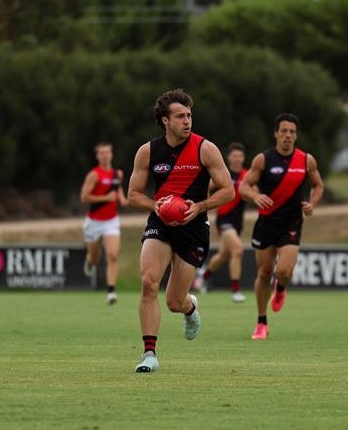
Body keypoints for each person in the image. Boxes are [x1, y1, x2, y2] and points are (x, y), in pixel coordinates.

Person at [127, 88, 234, 373]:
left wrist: (199, 207)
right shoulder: (148, 151)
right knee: (149, 282)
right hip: (160, 225)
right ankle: (149, 354)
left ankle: (190, 308)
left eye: (189, 115)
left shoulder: (205, 149)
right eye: (180, 116)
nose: (187, 121)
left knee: (174, 301)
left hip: (194, 228)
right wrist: (156, 206)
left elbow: (229, 191)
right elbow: (133, 194)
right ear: (165, 120)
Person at [239, 113, 324, 340]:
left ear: (296, 135)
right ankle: (261, 322)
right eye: (284, 131)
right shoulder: (263, 159)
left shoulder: (306, 160)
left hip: (292, 223)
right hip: (266, 223)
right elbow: (244, 187)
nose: (288, 135)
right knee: (264, 272)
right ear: (276, 133)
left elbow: (318, 185)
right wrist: (255, 197)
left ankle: (282, 288)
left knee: (284, 271)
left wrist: (312, 204)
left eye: (292, 132)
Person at [194, 142, 249, 303]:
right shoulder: (224, 175)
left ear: (243, 158)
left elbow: (253, 192)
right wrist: (204, 204)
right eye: (234, 156)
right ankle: (236, 291)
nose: (237, 159)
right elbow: (206, 186)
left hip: (238, 223)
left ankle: (203, 275)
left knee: (224, 256)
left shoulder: (247, 175)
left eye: (240, 156)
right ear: (229, 158)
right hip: (224, 220)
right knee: (238, 250)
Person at [80, 141, 128, 305]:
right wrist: (105, 198)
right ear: (97, 156)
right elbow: (84, 197)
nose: (105, 155)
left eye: (107, 152)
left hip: (111, 221)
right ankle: (89, 261)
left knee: (113, 255)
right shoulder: (94, 175)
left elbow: (117, 189)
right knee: (95, 259)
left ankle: (111, 291)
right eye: (102, 153)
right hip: (94, 222)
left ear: (111, 154)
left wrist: (124, 200)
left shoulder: (117, 174)